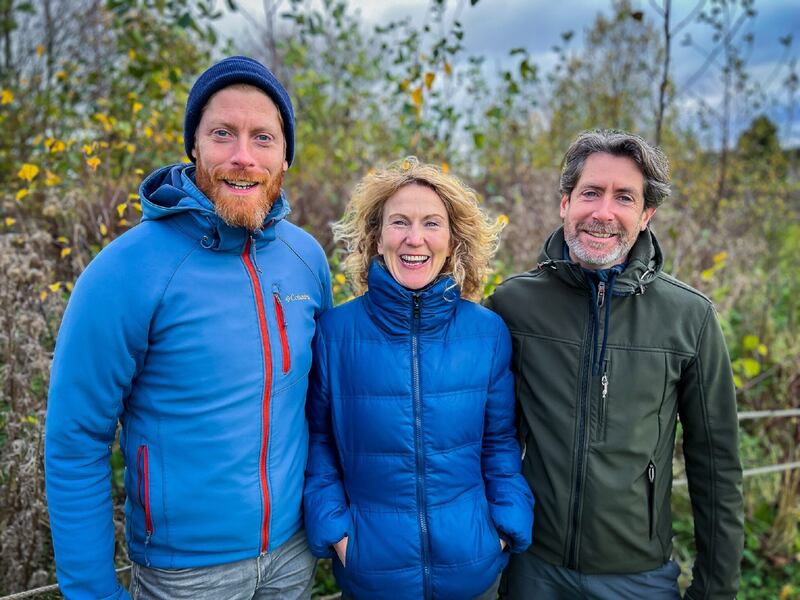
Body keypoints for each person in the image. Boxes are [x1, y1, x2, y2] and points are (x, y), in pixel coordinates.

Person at [45, 56, 332, 600]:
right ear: (194, 146)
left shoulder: (306, 259)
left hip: (294, 558)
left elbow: (317, 408)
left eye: (263, 138)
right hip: (187, 576)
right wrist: (91, 591)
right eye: (223, 133)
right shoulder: (123, 272)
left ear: (286, 156)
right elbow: (75, 440)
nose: (243, 157)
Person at [485, 130, 744, 599]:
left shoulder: (690, 317)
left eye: (624, 197)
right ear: (565, 202)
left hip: (638, 577)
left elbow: (717, 468)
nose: (603, 212)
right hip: (531, 570)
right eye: (590, 192)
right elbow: (479, 434)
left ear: (646, 215)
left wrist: (715, 590)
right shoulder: (512, 305)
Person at [303, 157, 534, 600]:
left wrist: (505, 525)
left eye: (432, 223)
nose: (415, 238)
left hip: (474, 571)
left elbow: (500, 442)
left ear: (453, 240)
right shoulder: (335, 334)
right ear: (376, 237)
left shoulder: (486, 333)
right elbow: (319, 442)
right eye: (399, 222)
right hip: (371, 574)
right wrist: (338, 533)